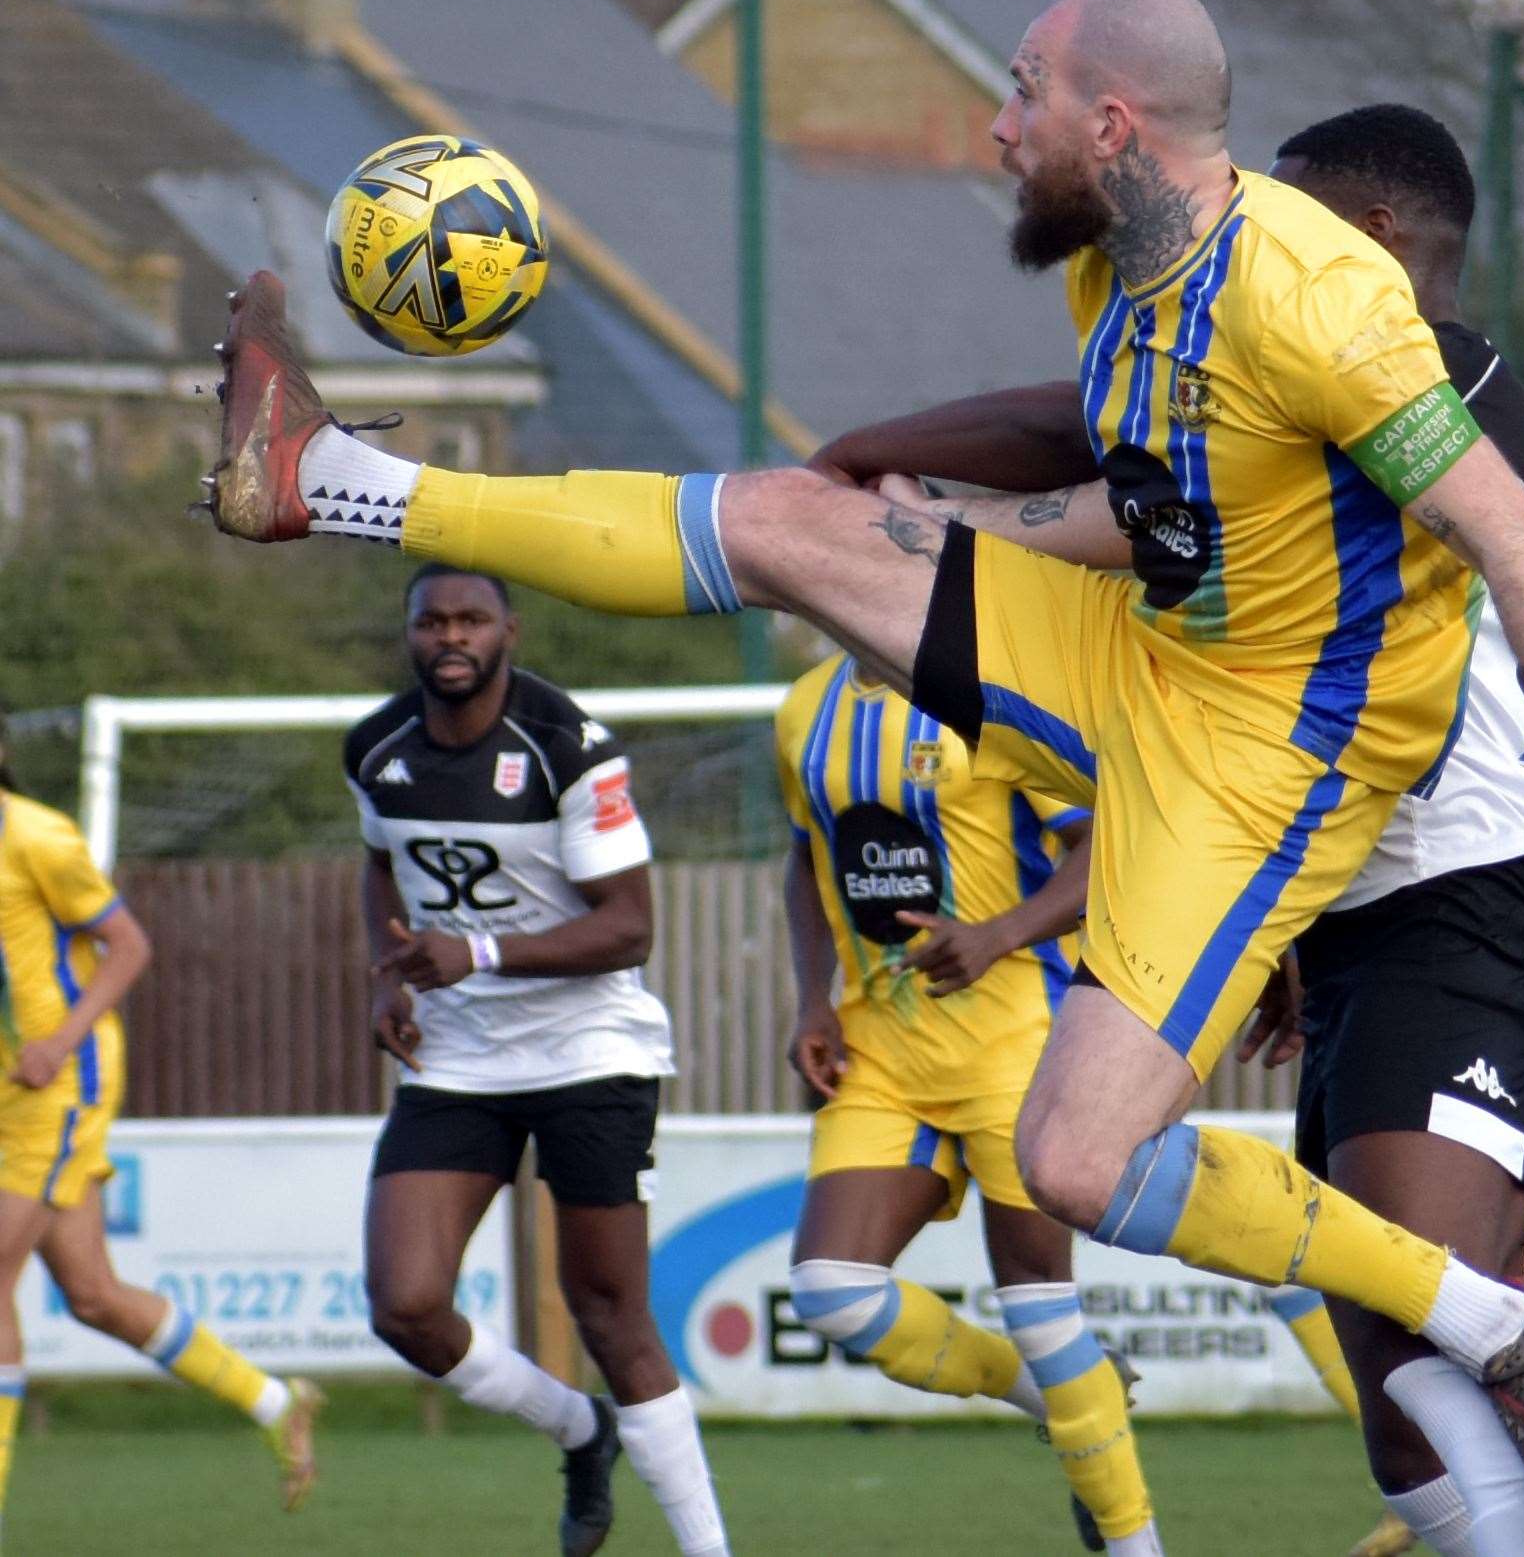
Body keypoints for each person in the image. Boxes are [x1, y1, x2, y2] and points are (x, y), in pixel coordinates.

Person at [203, 0, 1524, 1536]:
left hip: (1270, 761)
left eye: (1023, 90)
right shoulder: (1124, 279)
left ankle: (1506, 1326)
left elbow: (1516, 533)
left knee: (1078, 1161)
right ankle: (325, 477)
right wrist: (916, 524)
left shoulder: (1319, 299)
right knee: (786, 522)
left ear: (1113, 123)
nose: (995, 124)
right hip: (1145, 669)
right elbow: (1158, 519)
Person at [1218, 103, 1524, 1556]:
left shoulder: (1449, 368)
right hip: (1354, 907)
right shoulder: (1276, 373)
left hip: (1470, 883)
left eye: (1293, 219)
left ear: (1372, 236)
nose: (1267, 249)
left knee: (1428, 1279)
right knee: (1393, 1380)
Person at [347, 564, 728, 1557]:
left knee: (609, 1311)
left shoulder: (568, 750)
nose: (450, 636)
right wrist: (388, 974)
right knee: (405, 1305)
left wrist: (471, 951)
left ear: (509, 629)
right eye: (430, 620)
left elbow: (629, 929)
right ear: (410, 633)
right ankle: (577, 1426)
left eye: (471, 617)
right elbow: (380, 859)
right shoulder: (375, 750)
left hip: (588, 1052)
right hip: (459, 1056)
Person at [777, 649, 1160, 1553]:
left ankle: (1137, 1542)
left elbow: (1104, 841)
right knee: (831, 1288)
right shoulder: (803, 709)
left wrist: (998, 935)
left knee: (1038, 1303)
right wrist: (811, 997)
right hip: (882, 1050)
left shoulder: (999, 688)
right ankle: (1059, 1392)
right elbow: (806, 862)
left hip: (1017, 1044)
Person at [0, 715, 320, 1537]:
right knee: (94, 1294)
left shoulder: (38, 837)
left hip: (61, 1083)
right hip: (7, 1092)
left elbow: (130, 946)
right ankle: (275, 1399)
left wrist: (58, 1041)